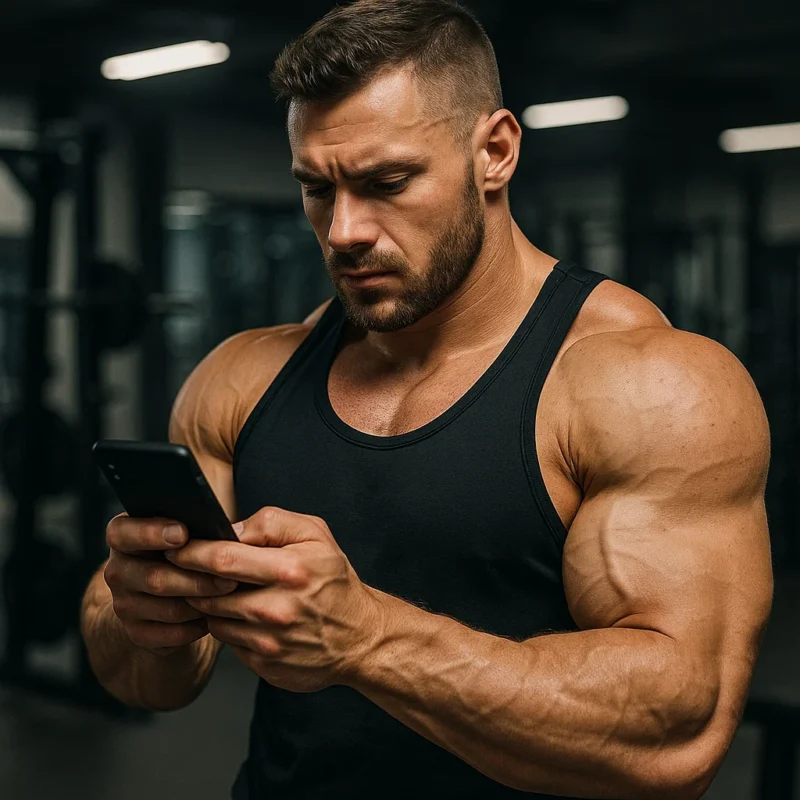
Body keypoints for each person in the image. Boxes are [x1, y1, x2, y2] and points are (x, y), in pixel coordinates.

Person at [80, 1, 773, 798]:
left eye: (386, 182)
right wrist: (143, 617)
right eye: (317, 188)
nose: (342, 231)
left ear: (496, 152)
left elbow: (681, 729)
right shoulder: (243, 379)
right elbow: (145, 684)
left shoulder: (647, 382)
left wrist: (368, 639)